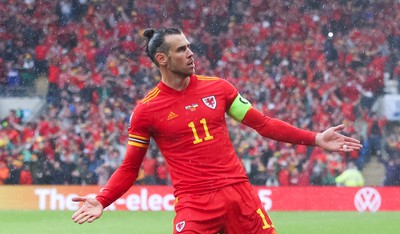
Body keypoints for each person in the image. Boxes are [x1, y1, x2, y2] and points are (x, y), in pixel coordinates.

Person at [72, 28, 362, 234]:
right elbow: (129, 168)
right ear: (162, 59)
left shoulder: (219, 88)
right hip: (195, 203)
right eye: (181, 49)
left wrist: (315, 138)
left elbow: (263, 124)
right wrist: (103, 199)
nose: (190, 53)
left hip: (239, 196)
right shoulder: (146, 110)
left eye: (189, 46)